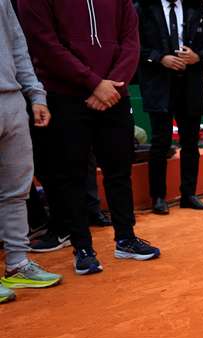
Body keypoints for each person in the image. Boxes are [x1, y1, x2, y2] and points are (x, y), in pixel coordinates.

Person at [19, 0, 161, 275]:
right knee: (71, 175)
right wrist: (93, 83)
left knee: (119, 170)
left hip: (114, 94)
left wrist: (113, 84)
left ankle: (126, 238)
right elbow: (44, 44)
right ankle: (82, 248)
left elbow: (131, 40)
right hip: (65, 96)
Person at [0, 0, 61, 302]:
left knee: (17, 189)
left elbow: (18, 45)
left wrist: (36, 94)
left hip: (11, 100)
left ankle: (17, 263)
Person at [137, 0, 203, 216]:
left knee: (191, 142)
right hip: (159, 84)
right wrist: (160, 58)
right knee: (161, 141)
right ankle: (158, 197)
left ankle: (189, 194)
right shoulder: (144, 9)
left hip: (190, 85)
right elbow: (135, 46)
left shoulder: (196, 9)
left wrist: (198, 57)